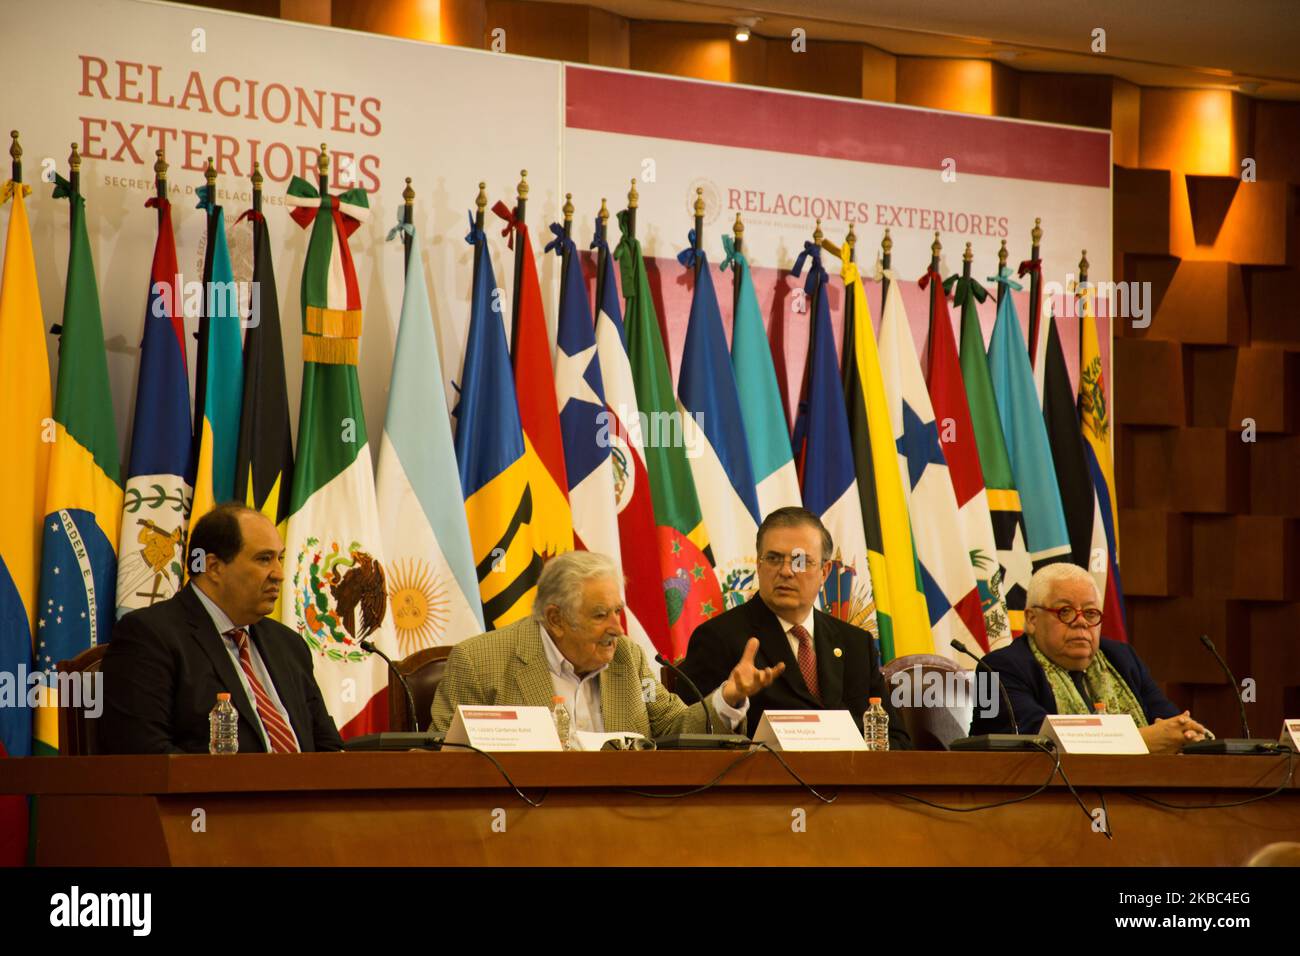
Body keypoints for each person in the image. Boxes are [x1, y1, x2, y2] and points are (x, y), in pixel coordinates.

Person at [429, 550, 783, 739]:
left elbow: (674, 728)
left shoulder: (627, 657)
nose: (617, 627)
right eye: (601, 615)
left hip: (624, 820)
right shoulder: (479, 661)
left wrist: (728, 697)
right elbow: (440, 758)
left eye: (618, 611)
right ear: (555, 619)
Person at [101, 503, 343, 754]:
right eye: (264, 559)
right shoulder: (149, 636)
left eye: (279, 558)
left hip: (304, 792)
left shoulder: (289, 645)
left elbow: (328, 747)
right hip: (217, 792)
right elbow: (143, 752)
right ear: (214, 567)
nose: (279, 574)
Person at [677, 507, 910, 748]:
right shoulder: (718, 638)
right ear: (758, 565)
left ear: (824, 571)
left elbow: (896, 740)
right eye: (774, 559)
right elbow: (689, 741)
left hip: (851, 781)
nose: (786, 571)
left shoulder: (856, 644)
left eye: (801, 561)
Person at [969, 563, 1209, 753]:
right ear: (1032, 619)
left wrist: (1187, 733)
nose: (1081, 622)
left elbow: (1172, 723)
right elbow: (1037, 742)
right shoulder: (993, 670)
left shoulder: (1122, 659)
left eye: (1091, 613)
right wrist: (1140, 741)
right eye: (1065, 611)